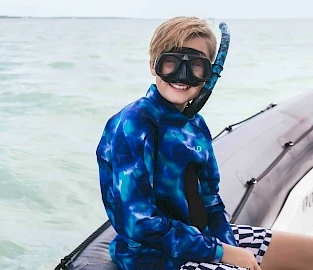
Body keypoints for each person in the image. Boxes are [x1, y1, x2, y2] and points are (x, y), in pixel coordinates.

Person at [96, 17, 313, 270]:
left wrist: (228, 246)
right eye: (171, 63)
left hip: (200, 241)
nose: (183, 76)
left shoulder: (195, 125)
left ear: (209, 74)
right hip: (152, 257)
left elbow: (210, 201)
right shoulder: (134, 124)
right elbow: (139, 222)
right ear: (153, 66)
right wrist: (223, 253)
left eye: (196, 66)